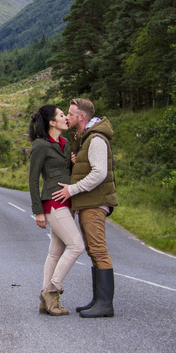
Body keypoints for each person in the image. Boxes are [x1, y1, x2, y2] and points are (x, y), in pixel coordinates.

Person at [52, 98, 118, 318]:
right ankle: (98, 301)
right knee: (92, 250)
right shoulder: (85, 139)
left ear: (81, 117)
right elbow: (88, 168)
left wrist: (72, 190)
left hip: (94, 202)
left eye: (70, 114)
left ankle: (105, 305)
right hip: (88, 202)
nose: (67, 117)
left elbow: (99, 173)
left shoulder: (96, 139)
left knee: (98, 250)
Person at [29, 105, 85, 316]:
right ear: (52, 122)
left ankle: (45, 301)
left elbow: (64, 173)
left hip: (67, 202)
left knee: (55, 253)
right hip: (52, 203)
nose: (65, 118)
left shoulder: (64, 143)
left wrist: (71, 164)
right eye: (61, 115)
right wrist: (38, 211)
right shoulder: (40, 146)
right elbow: (33, 180)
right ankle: (53, 290)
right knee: (76, 246)